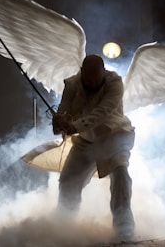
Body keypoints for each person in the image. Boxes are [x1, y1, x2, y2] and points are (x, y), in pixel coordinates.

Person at [53, 54, 135, 241]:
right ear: (81, 73)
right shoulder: (72, 85)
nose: (92, 82)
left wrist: (74, 126)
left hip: (113, 136)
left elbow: (102, 112)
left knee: (121, 175)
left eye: (97, 79)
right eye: (88, 79)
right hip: (85, 141)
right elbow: (64, 109)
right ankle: (62, 229)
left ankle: (125, 233)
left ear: (103, 72)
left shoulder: (115, 84)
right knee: (67, 181)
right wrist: (59, 122)